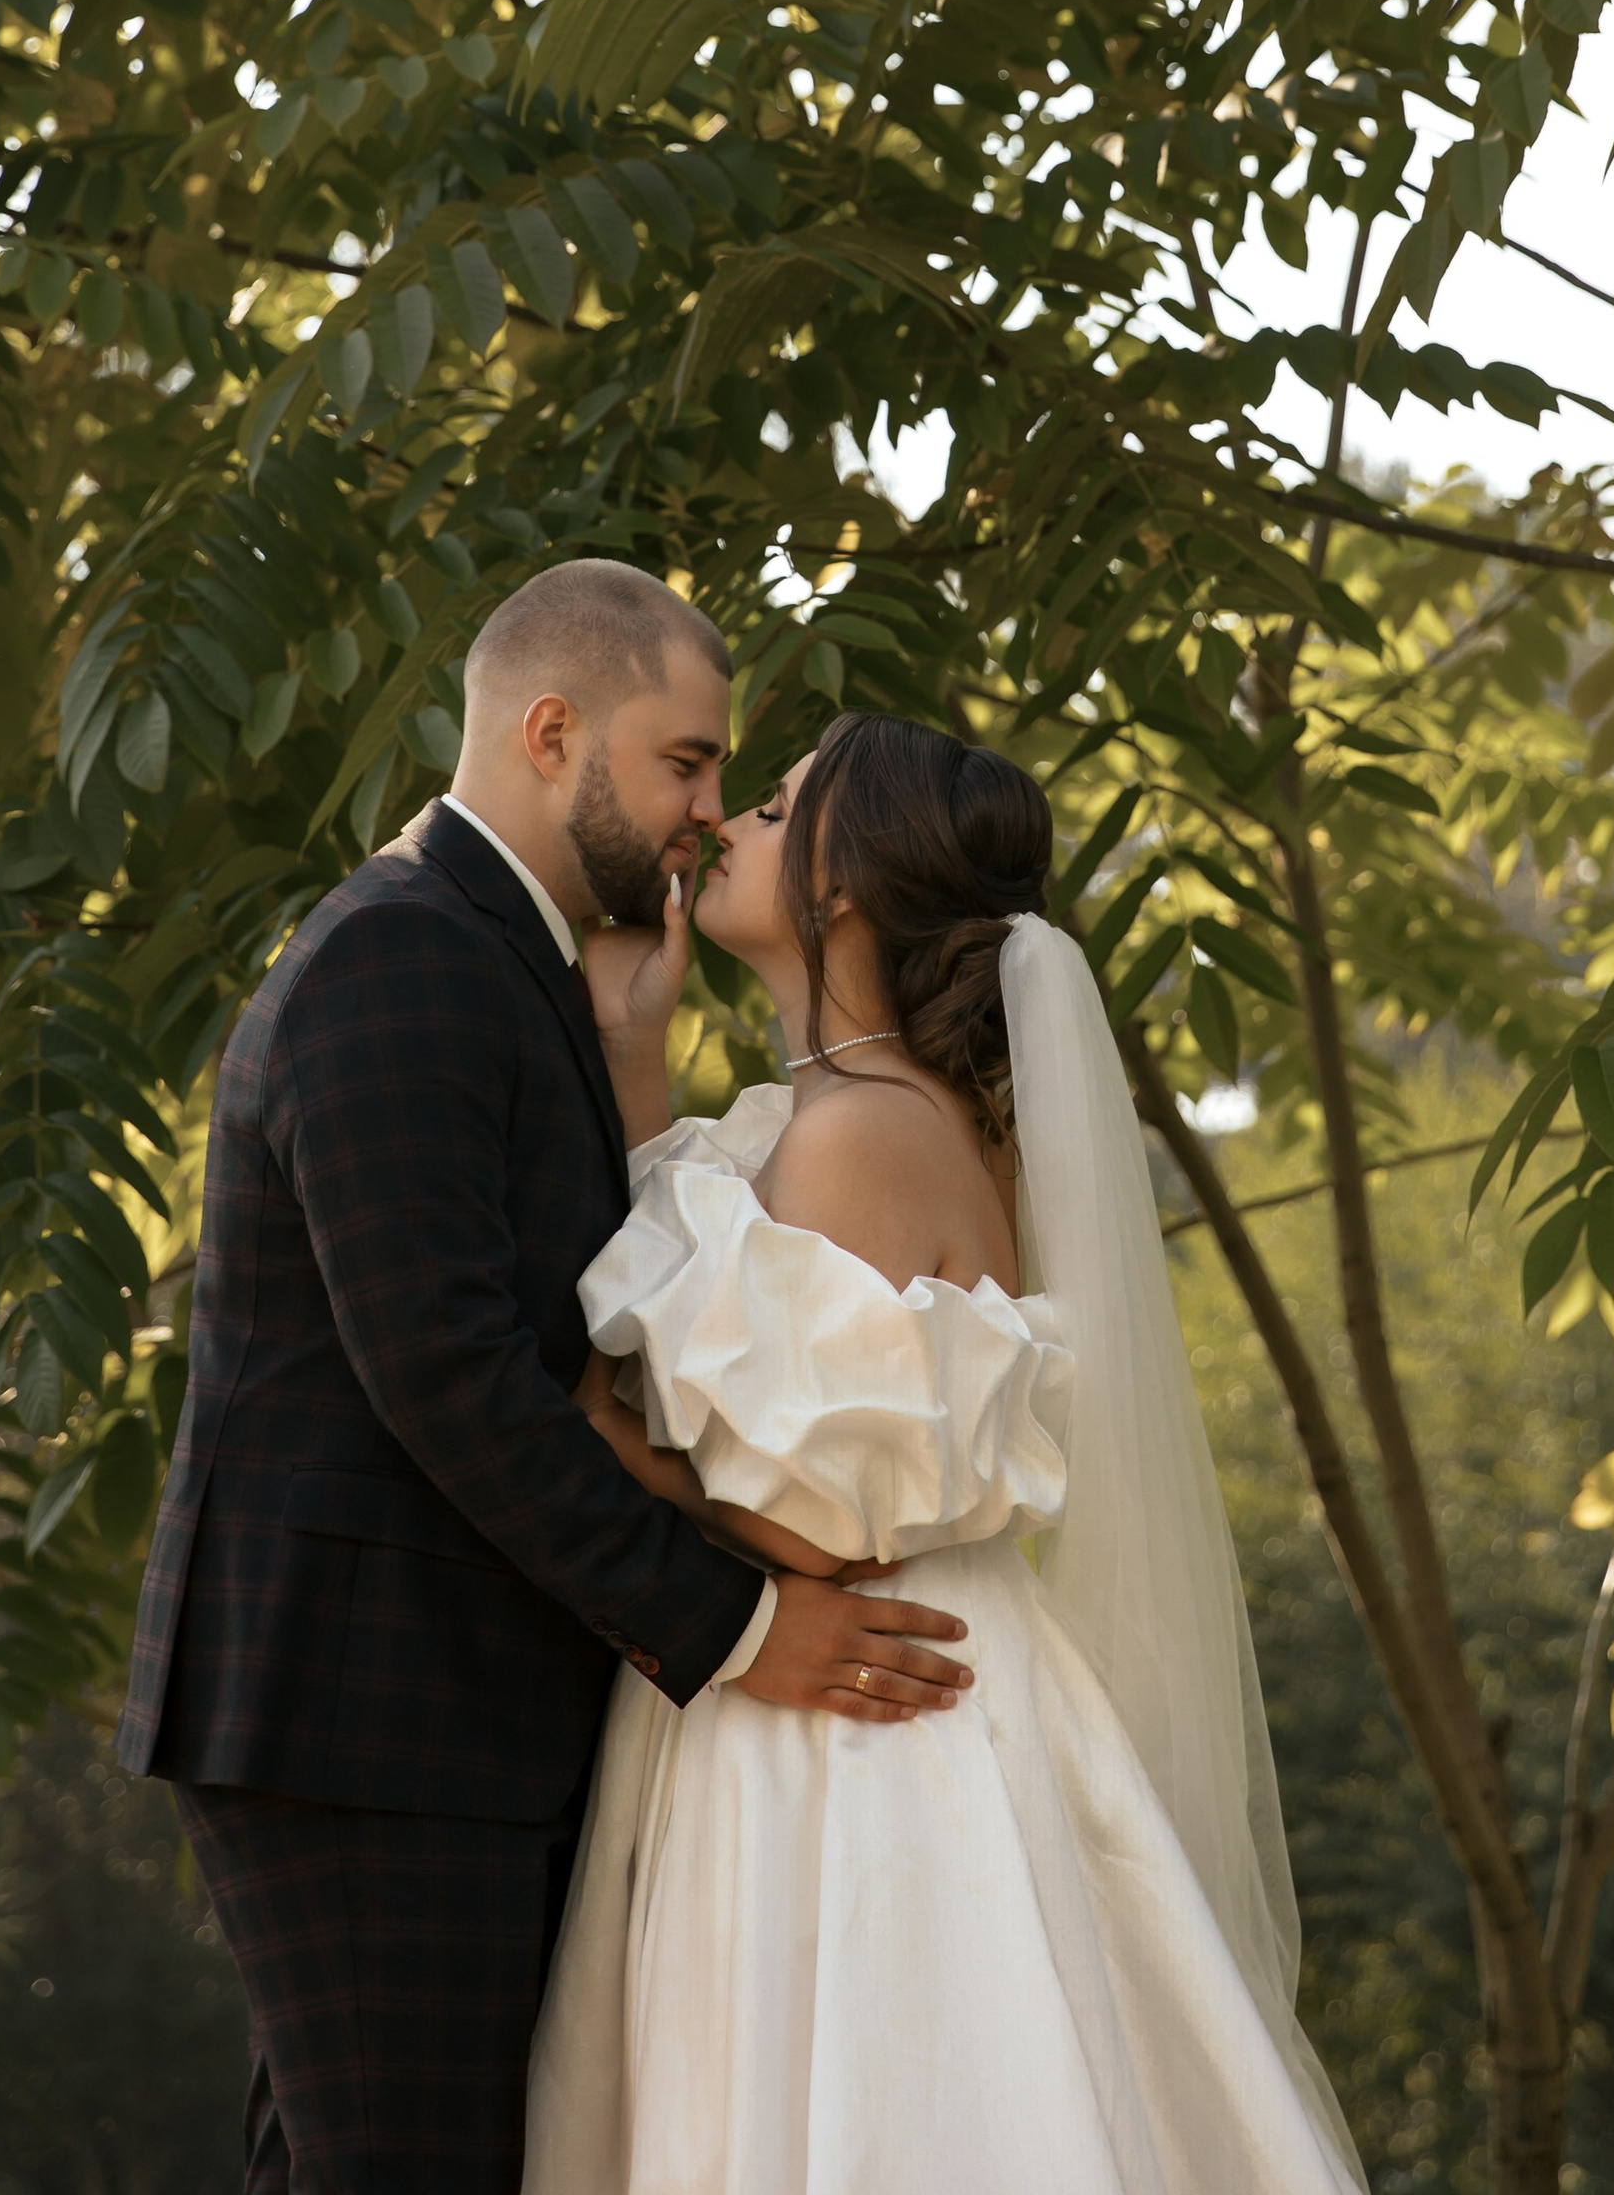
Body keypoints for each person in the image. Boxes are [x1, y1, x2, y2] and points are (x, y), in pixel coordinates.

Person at [116, 562, 972, 2194]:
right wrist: (735, 1628)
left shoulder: (506, 967)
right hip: (366, 1718)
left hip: (437, 1714)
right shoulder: (399, 957)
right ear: (551, 728)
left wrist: (631, 1075)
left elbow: (588, 1333)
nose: (707, 817)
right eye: (687, 765)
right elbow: (446, 1375)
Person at [529, 706, 1366, 2195]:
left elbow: (816, 1520)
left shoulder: (860, 1131)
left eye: (778, 808)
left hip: (856, 1718)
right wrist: (632, 1051)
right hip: (897, 1681)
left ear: (843, 883)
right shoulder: (862, 1113)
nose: (730, 822)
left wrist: (601, 1435)